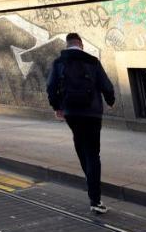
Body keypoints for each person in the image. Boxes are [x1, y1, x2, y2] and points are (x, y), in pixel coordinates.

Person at [46, 32, 116, 214]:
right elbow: (106, 85)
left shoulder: (59, 63)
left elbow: (51, 87)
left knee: (80, 146)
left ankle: (91, 183)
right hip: (92, 113)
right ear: (81, 44)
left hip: (71, 112)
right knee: (93, 153)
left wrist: (57, 106)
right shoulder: (92, 61)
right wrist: (111, 100)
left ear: (67, 45)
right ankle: (95, 198)